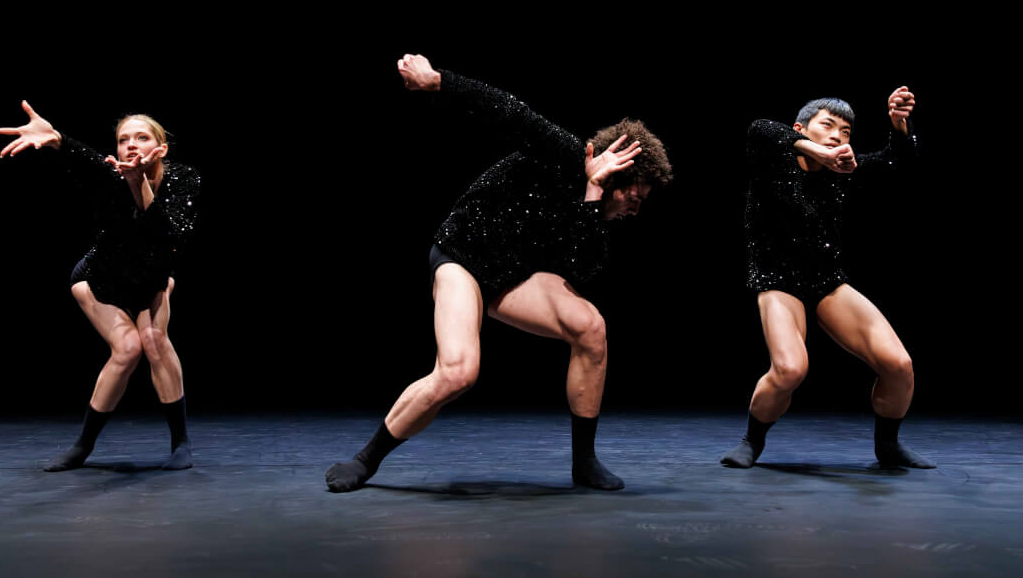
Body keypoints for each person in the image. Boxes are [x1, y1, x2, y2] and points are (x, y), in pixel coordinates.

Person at [325, 54, 672, 493]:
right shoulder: (560, 149)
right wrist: (436, 82)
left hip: (513, 276)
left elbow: (585, 268)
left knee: (591, 329)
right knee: (458, 371)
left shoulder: (596, 206)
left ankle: (584, 463)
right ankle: (366, 459)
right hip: (463, 258)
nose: (632, 210)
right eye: (633, 199)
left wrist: (591, 194)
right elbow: (505, 109)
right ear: (615, 168)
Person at [721, 88, 934, 470]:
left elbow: (899, 163)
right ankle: (751, 440)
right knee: (790, 369)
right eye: (828, 126)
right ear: (802, 129)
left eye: (847, 131)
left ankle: (888, 446)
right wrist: (817, 152)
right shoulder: (773, 160)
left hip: (827, 283)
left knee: (899, 364)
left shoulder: (844, 172)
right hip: (776, 280)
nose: (839, 135)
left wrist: (899, 125)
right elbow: (759, 128)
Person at [0, 102, 201, 471]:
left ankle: (180, 443)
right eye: (124, 140)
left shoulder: (183, 178)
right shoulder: (109, 176)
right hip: (100, 280)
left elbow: (167, 237)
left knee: (155, 341)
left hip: (151, 280)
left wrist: (139, 185)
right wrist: (56, 139)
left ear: (162, 148)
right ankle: (82, 446)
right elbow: (81, 155)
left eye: (142, 137)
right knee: (128, 350)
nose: (131, 145)